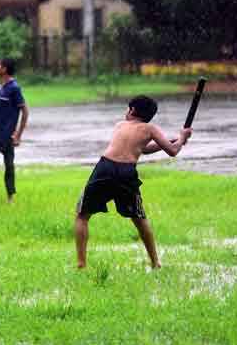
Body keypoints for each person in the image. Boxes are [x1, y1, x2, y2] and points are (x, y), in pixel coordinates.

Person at [74, 95, 192, 270]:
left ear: (132, 110)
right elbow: (170, 151)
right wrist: (181, 138)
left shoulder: (120, 125)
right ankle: (155, 263)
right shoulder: (150, 129)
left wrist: (175, 140)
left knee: (82, 216)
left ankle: (81, 264)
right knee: (139, 219)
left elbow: (143, 148)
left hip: (105, 167)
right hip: (125, 173)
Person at [0, 58, 30, 204]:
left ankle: (10, 198)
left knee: (9, 166)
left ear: (4, 69)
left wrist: (18, 134)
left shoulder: (14, 88)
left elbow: (25, 111)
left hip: (8, 136)